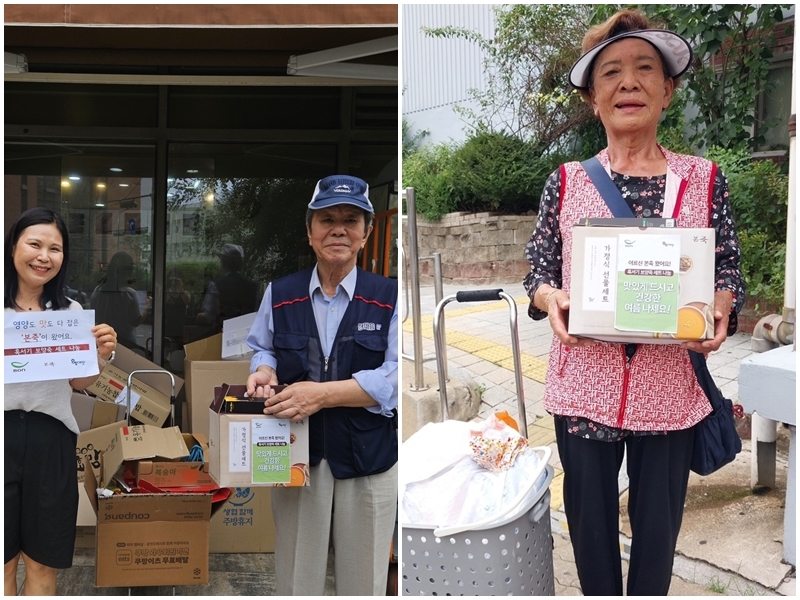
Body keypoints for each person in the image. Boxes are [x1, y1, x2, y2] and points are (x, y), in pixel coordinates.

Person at [522, 10, 745, 596]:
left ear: (667, 90)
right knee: (590, 533)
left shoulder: (703, 179)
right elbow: (538, 271)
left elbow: (726, 268)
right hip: (585, 387)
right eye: (611, 73)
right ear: (593, 98)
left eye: (646, 69)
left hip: (669, 388)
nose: (628, 83)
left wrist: (720, 308)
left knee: (656, 537)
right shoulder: (567, 182)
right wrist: (553, 296)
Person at [246, 175, 397, 596]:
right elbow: (263, 349)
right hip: (297, 457)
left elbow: (396, 374)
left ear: (366, 234)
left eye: (351, 220)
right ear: (310, 232)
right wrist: (263, 370)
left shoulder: (388, 296)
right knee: (297, 580)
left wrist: (322, 395)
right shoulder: (280, 293)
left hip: (369, 459)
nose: (339, 229)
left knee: (363, 582)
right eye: (327, 218)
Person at [4, 207, 117, 596]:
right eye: (34, 244)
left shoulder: (69, 313)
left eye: (55, 248)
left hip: (51, 439)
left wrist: (100, 356)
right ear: (13, 246)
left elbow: (80, 381)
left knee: (42, 563)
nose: (44, 256)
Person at [90, 251, 151, 352]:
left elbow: (94, 316)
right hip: (127, 344)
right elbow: (135, 321)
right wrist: (148, 307)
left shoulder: (98, 290)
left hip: (102, 342)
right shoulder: (129, 294)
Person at [196, 243, 259, 334]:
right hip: (246, 336)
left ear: (223, 263)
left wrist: (201, 316)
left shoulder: (216, 285)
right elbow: (256, 313)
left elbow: (210, 315)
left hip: (223, 334)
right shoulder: (253, 286)